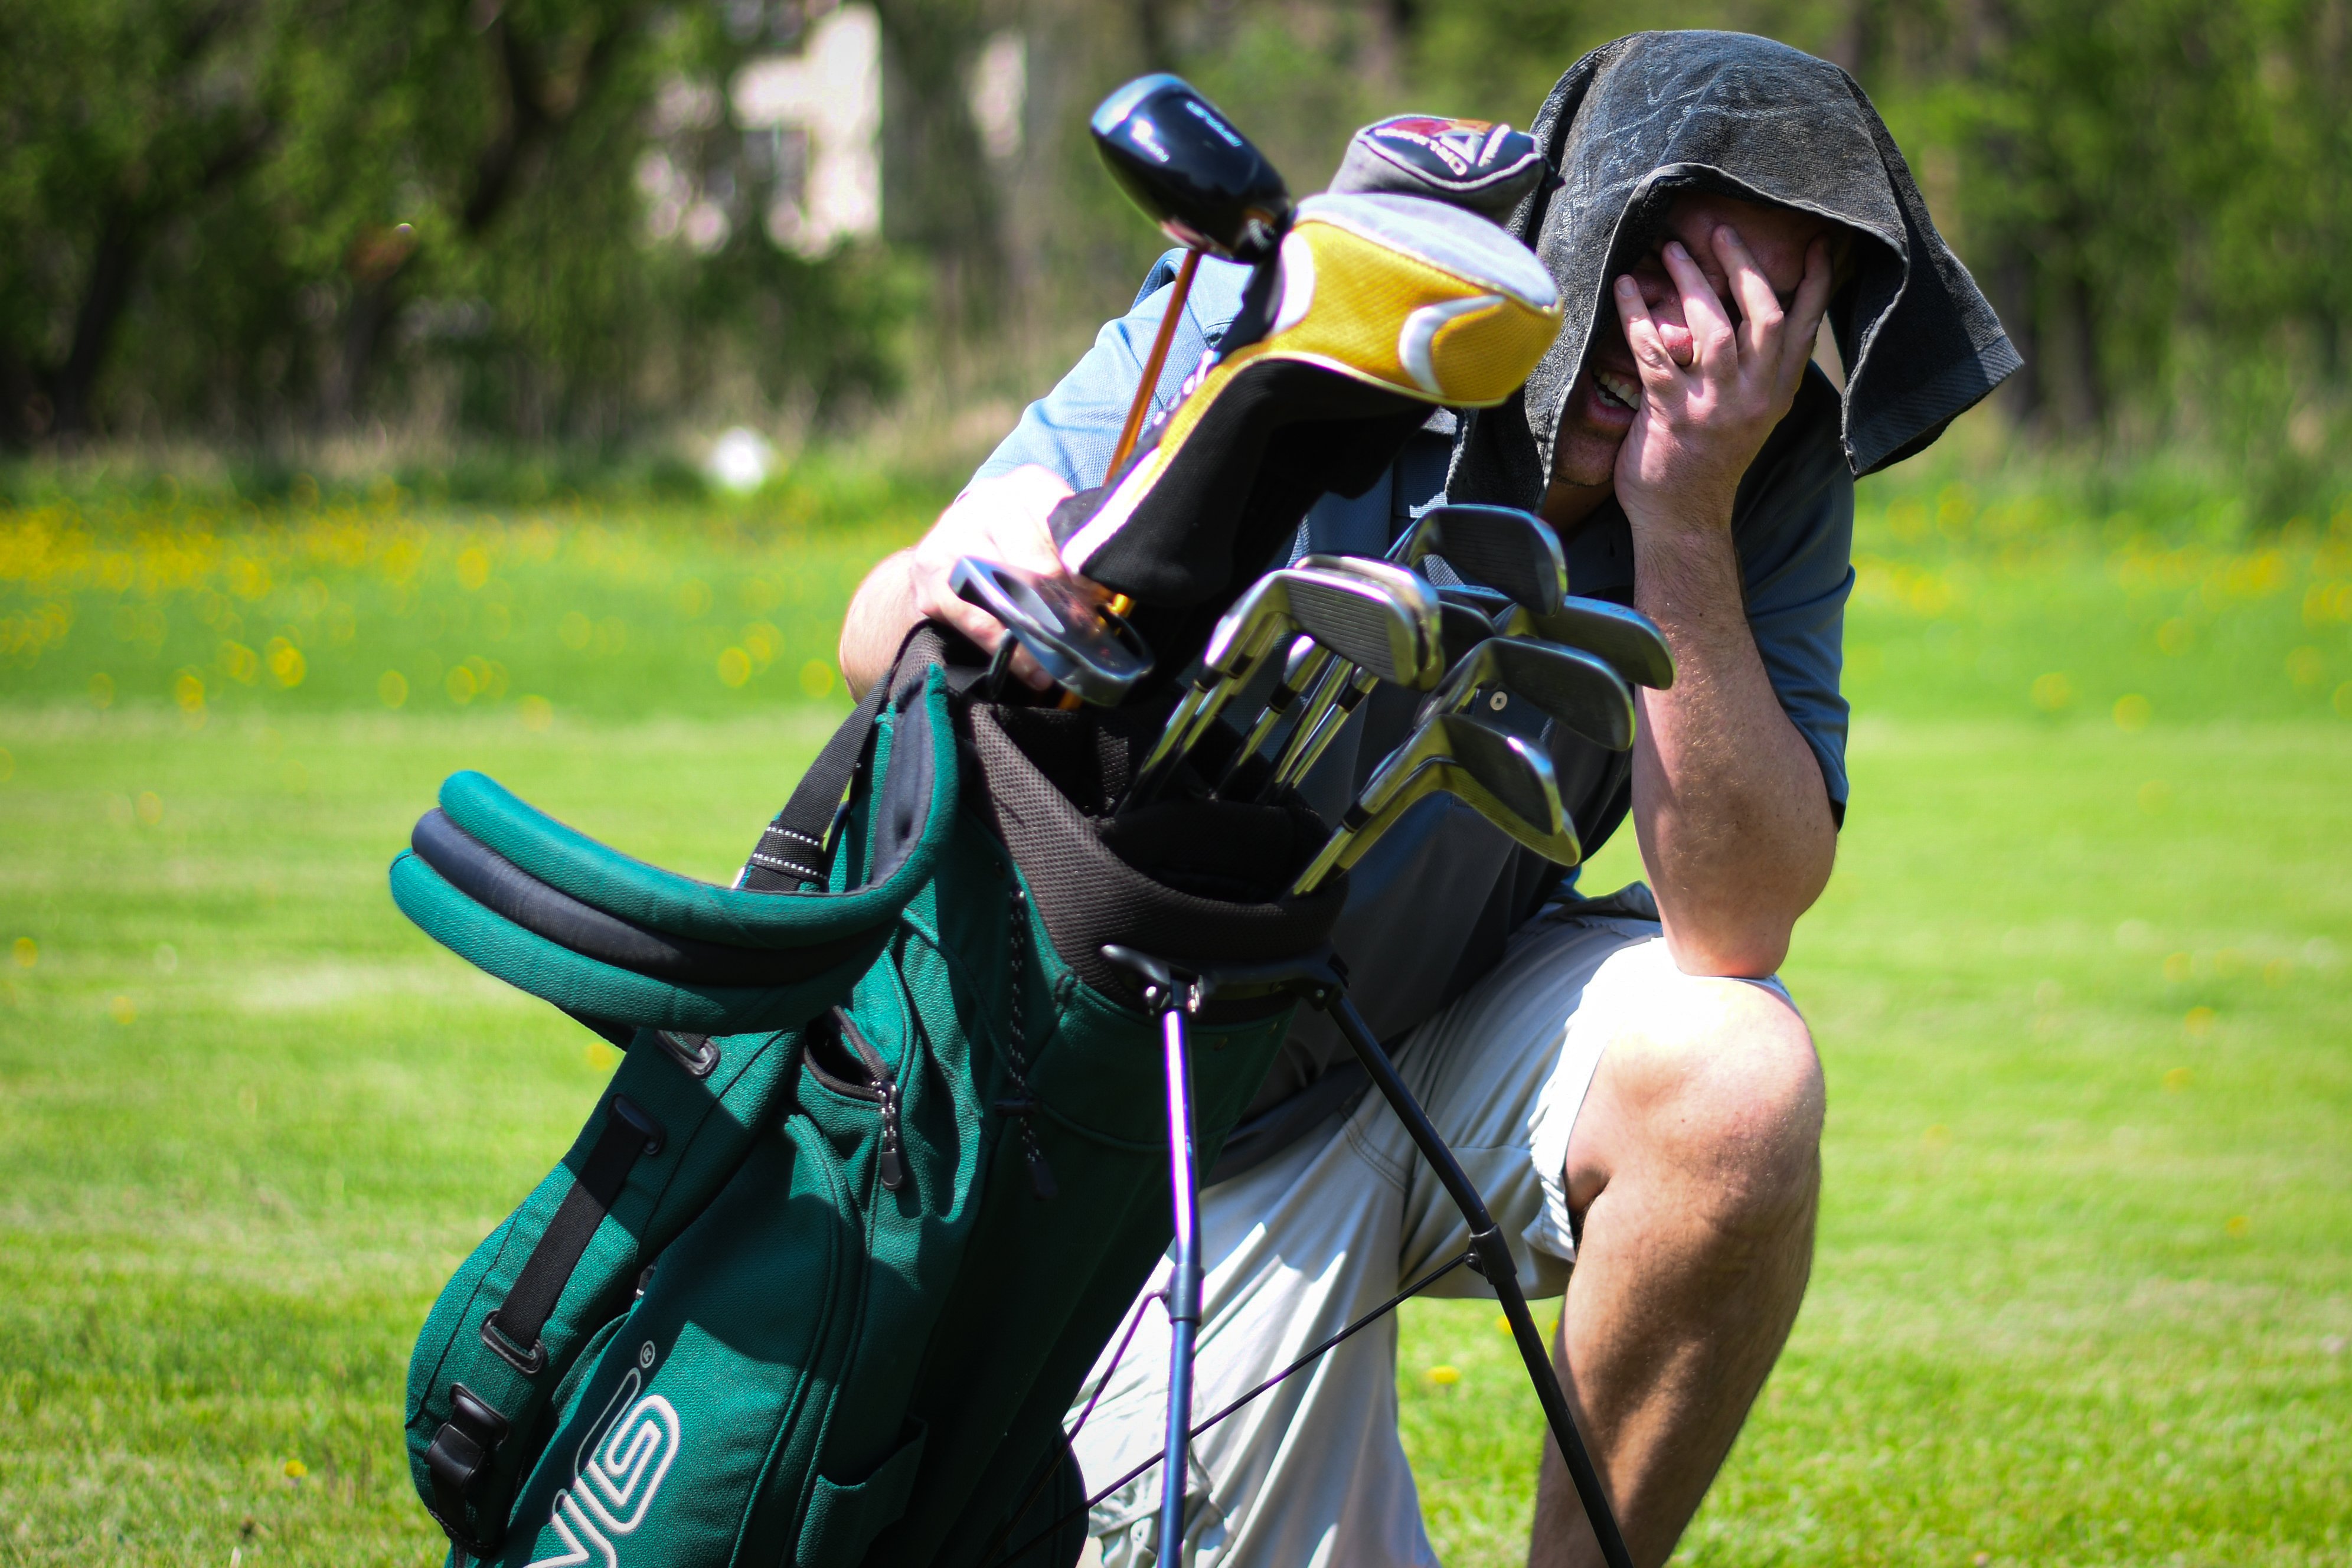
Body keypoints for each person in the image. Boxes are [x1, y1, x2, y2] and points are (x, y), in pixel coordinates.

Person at [839, 31, 2018, 1568]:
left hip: (1407, 1059)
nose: (1682, 344)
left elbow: (1735, 919)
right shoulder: (1348, 308)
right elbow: (884, 632)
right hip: (1130, 1127)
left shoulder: (1762, 468)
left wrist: (1682, 518)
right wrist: (1020, 580)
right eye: (1657, 274)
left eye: (1755, 307)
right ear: (1572, 223)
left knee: (1737, 1078)